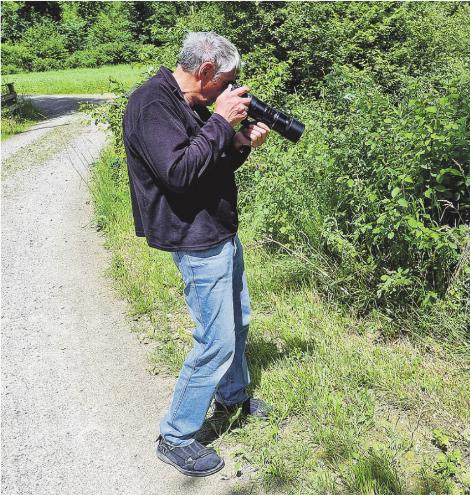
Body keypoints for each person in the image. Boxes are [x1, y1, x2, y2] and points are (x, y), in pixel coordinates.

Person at [122, 31, 271, 477]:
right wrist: (222, 125)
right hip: (194, 237)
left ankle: (232, 396)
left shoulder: (193, 105)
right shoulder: (151, 104)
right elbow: (180, 174)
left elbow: (208, 164)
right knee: (215, 338)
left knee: (239, 318)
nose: (231, 88)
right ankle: (177, 434)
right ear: (206, 71)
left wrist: (239, 144)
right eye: (227, 79)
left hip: (219, 229)